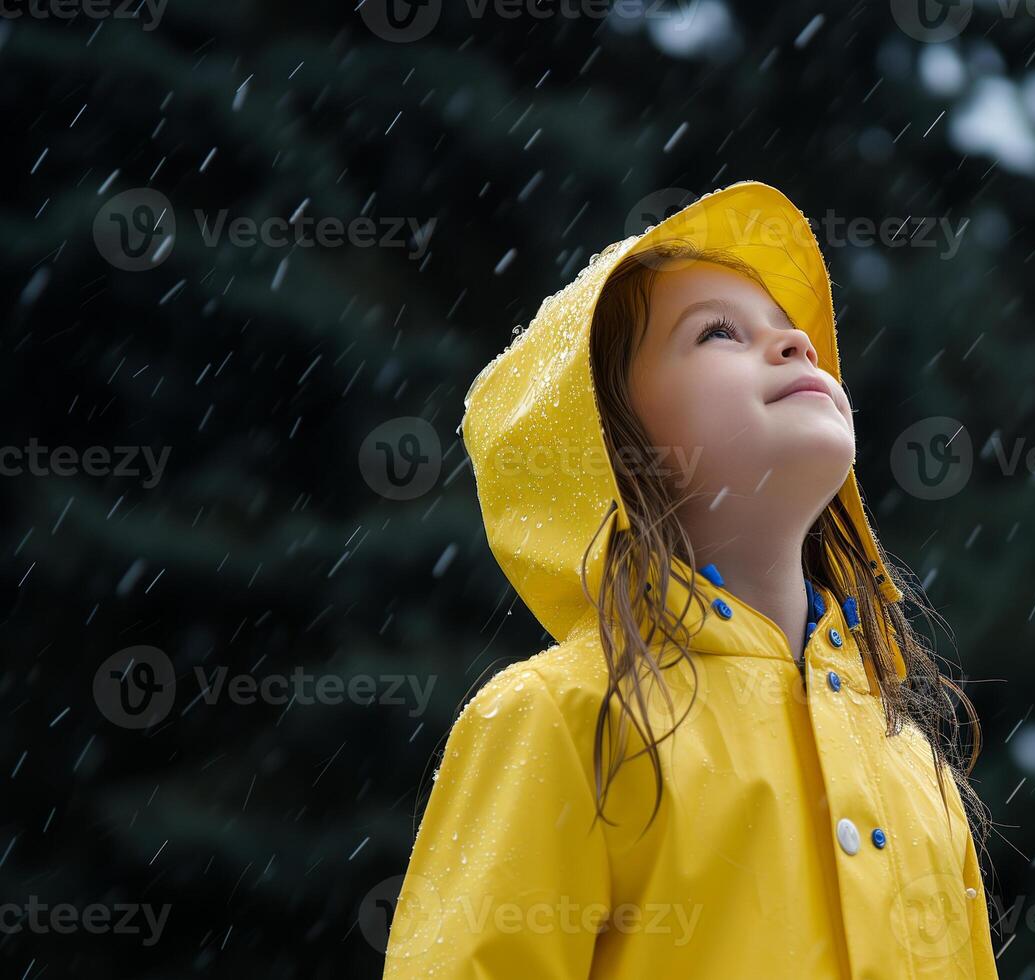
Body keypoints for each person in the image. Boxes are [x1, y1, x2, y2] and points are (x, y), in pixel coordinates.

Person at [382, 181, 999, 979]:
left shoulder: (915, 766)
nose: (796, 345)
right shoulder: (562, 718)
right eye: (718, 333)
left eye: (790, 330)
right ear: (602, 442)